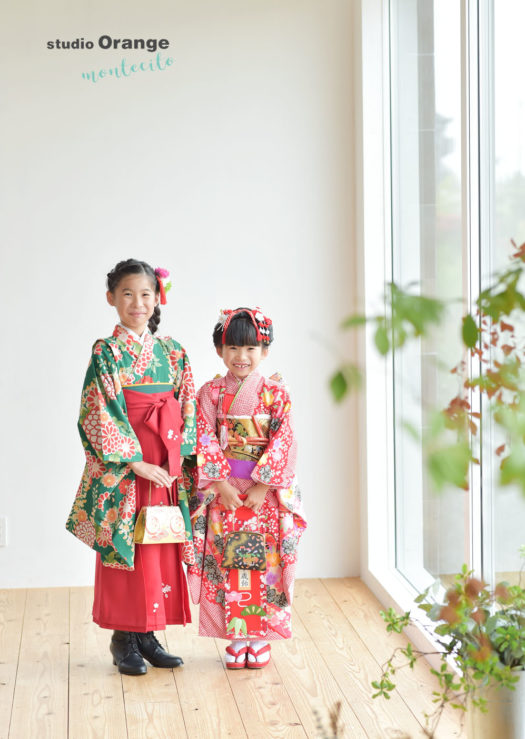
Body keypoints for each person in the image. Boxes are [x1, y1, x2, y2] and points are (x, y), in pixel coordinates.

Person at [66, 259, 197, 675]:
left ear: (157, 298)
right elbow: (96, 411)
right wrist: (134, 461)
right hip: (129, 469)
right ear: (111, 299)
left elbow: (187, 406)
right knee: (127, 549)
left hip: (165, 463)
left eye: (145, 294)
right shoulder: (106, 352)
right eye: (127, 294)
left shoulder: (173, 352)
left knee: (158, 545)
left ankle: (148, 633)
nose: (137, 303)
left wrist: (176, 459)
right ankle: (123, 637)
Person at [188, 307, 306, 669]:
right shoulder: (210, 393)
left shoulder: (275, 393)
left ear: (265, 351)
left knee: (263, 563)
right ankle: (237, 637)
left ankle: (259, 637)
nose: (242, 357)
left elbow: (284, 439)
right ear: (220, 351)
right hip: (224, 490)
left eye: (251, 349)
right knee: (230, 561)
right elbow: (202, 437)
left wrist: (262, 486)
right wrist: (220, 483)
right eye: (233, 349)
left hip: (263, 494)